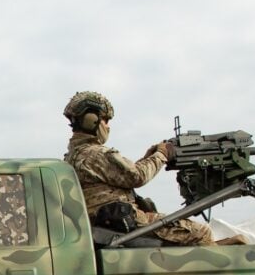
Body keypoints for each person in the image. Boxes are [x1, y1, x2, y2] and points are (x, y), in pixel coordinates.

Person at [63, 91, 214, 246]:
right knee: (201, 233)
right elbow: (137, 176)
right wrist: (162, 154)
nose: (107, 126)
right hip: (121, 222)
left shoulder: (75, 155)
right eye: (106, 120)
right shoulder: (94, 154)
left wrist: (148, 158)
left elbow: (122, 177)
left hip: (108, 222)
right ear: (91, 120)